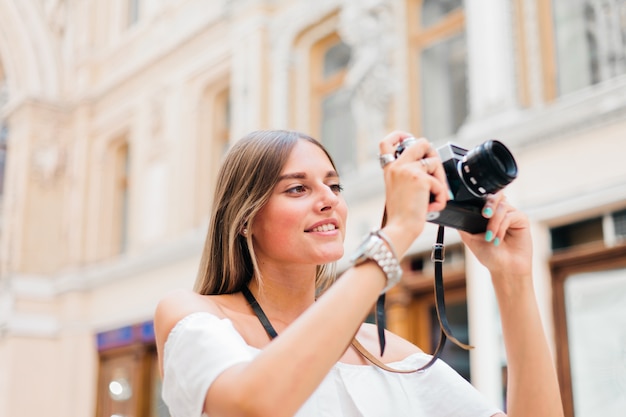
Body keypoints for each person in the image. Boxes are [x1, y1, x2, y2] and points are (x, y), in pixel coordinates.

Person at [154, 129, 564, 417]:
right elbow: (254, 406)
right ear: (244, 218)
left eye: (334, 187)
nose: (328, 201)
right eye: (297, 188)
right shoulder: (195, 316)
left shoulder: (383, 350)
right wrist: (397, 232)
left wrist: (512, 281)